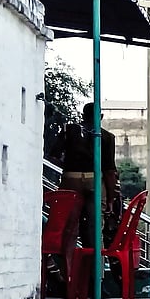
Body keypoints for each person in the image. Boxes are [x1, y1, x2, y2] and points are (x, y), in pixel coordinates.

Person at [58, 103, 121, 250]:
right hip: (95, 180)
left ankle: (67, 266)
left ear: (82, 116)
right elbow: (109, 171)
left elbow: (54, 156)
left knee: (70, 226)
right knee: (95, 226)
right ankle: (95, 268)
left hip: (70, 179)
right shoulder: (107, 137)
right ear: (100, 117)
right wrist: (111, 199)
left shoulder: (69, 130)